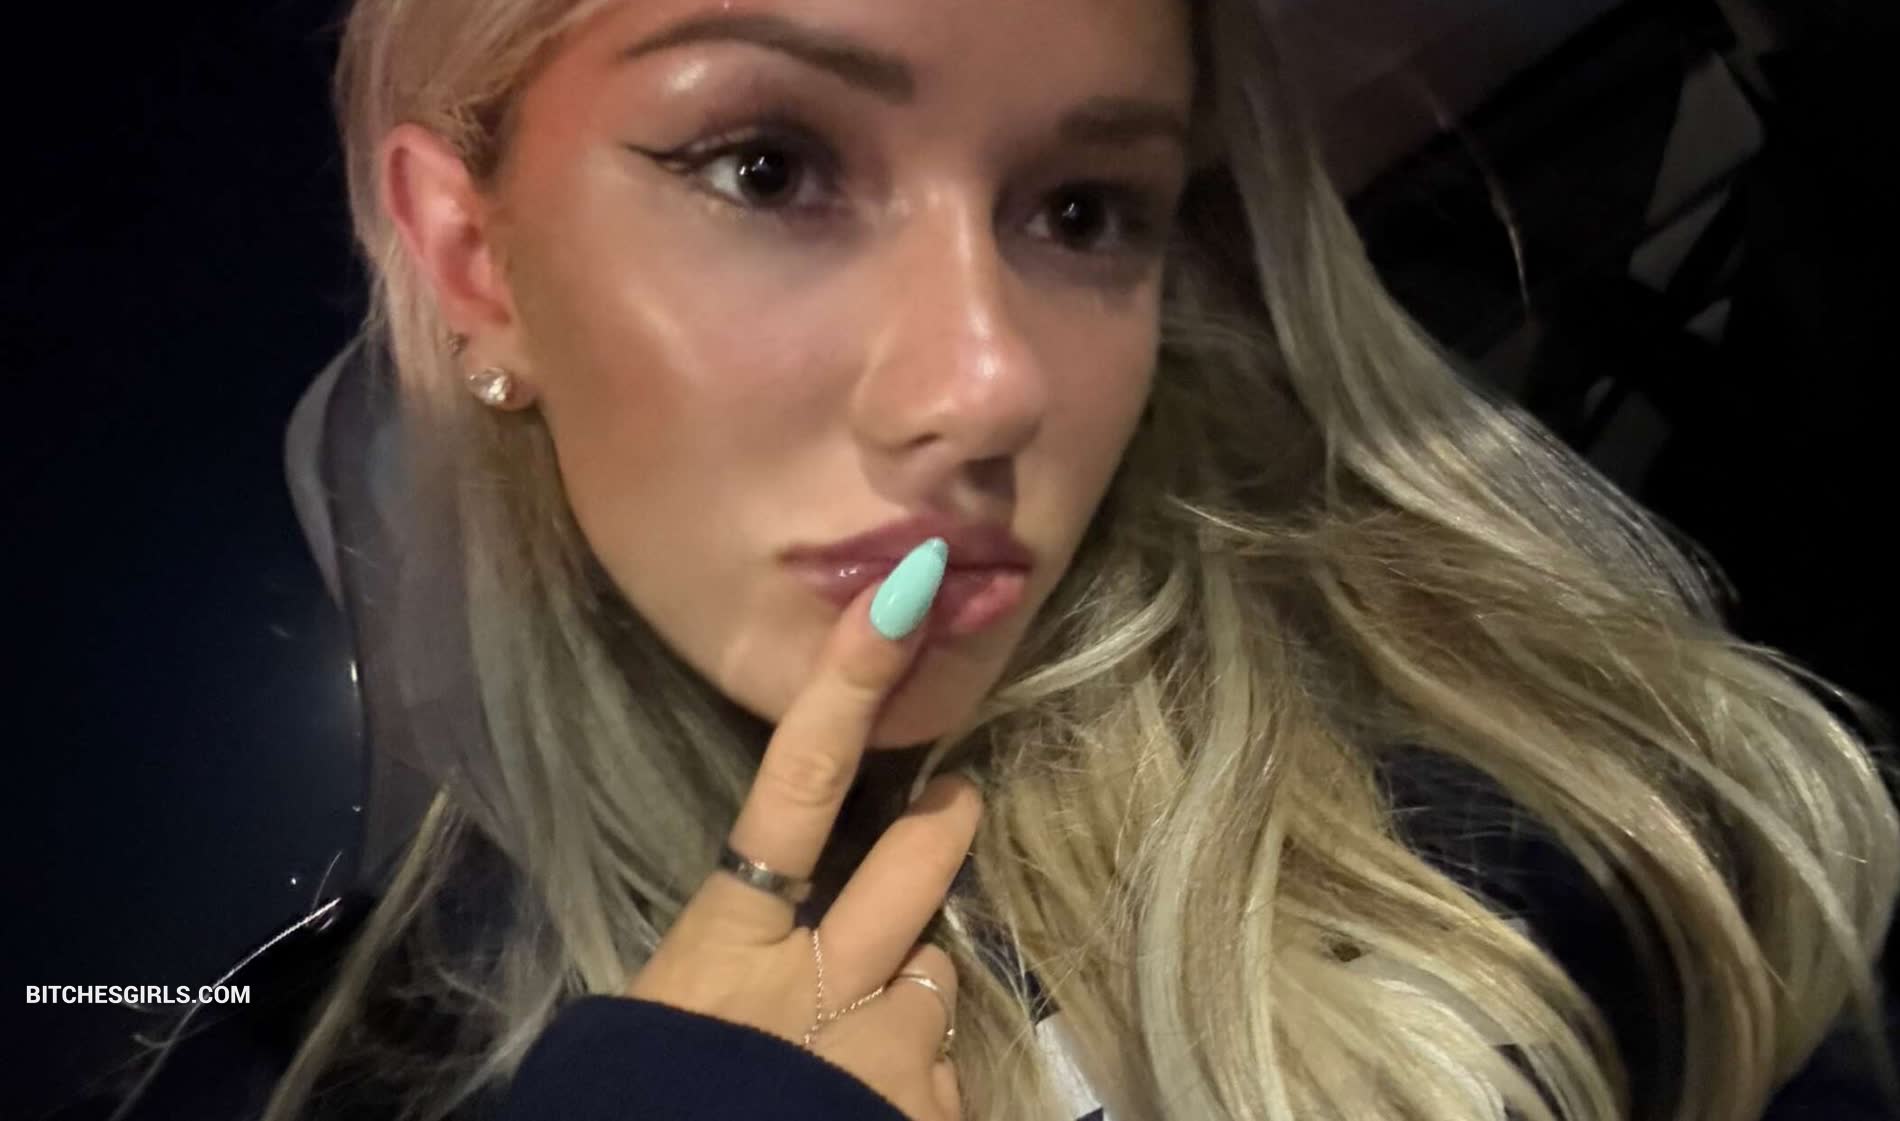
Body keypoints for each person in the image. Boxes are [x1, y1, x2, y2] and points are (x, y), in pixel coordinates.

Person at [83, 0, 1900, 1118]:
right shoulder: (322, 1072)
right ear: (474, 261)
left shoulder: (1522, 813)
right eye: (768, 166)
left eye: (1083, 209)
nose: (990, 380)